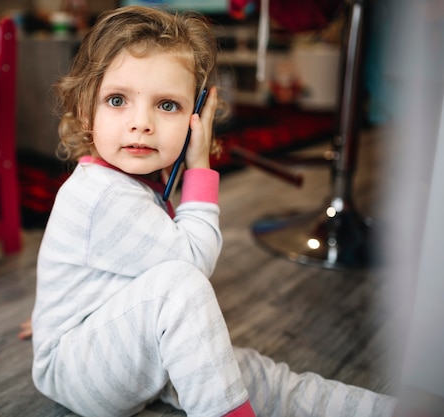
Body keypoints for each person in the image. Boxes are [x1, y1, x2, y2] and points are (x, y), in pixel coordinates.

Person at [28, 6, 398, 417]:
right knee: (178, 284)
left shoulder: (128, 183)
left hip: (116, 342)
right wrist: (199, 166)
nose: (141, 122)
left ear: (195, 117)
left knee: (254, 376)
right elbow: (192, 265)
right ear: (85, 110)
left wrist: (60, 314)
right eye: (117, 100)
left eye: (166, 105)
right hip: (78, 371)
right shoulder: (101, 196)